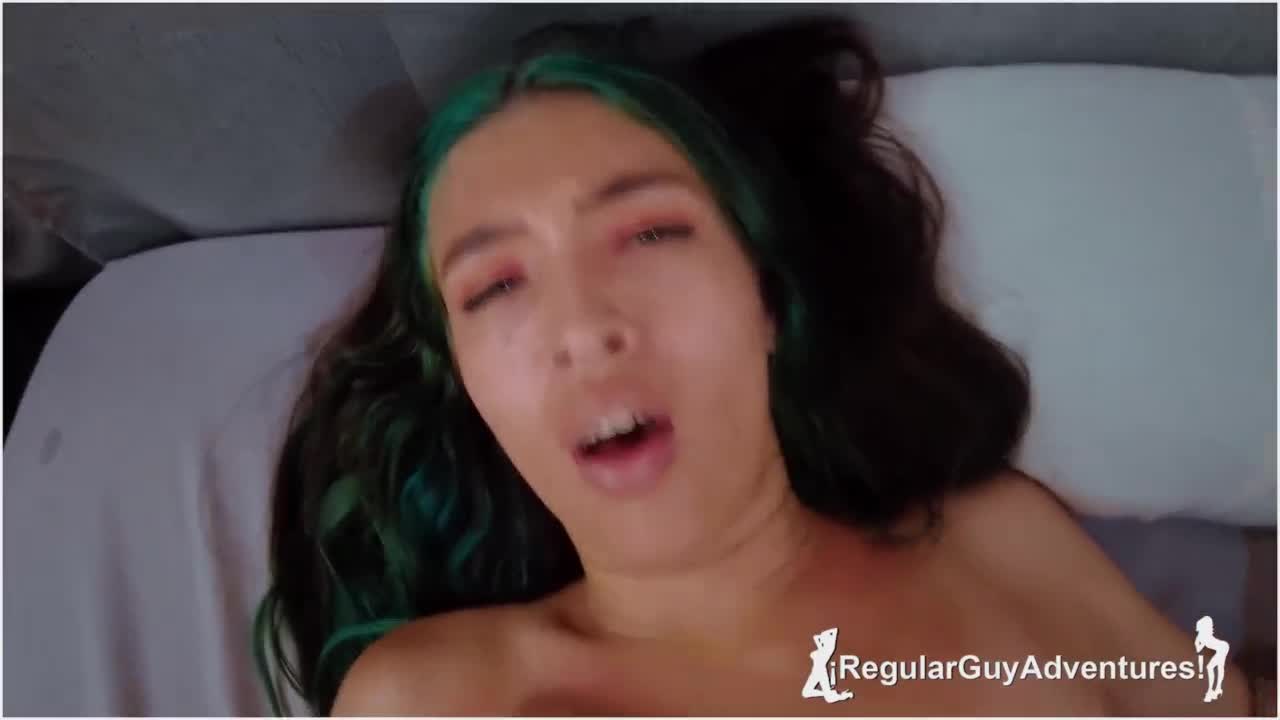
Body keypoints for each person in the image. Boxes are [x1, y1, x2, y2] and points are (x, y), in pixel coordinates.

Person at [253, 17, 1255, 716]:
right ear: (470, 387)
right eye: (495, 286)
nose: (584, 327)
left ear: (766, 300)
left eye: (649, 233)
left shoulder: (1000, 540)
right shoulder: (448, 700)